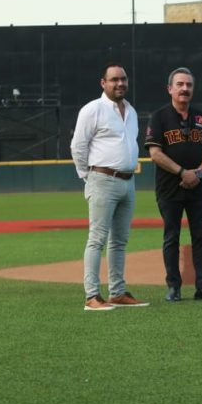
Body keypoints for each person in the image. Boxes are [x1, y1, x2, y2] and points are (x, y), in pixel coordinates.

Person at [70, 62, 149, 311]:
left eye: (123, 79)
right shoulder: (93, 109)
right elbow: (78, 146)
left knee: (120, 241)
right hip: (102, 178)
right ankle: (92, 296)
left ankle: (117, 292)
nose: (120, 83)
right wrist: (88, 175)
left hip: (128, 180)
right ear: (103, 83)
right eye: (114, 79)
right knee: (97, 239)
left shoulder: (132, 111)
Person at [144, 67, 202, 303]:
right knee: (172, 236)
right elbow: (155, 153)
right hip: (170, 187)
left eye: (189, 85)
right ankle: (174, 287)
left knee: (200, 237)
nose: (185, 89)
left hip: (198, 187)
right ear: (170, 88)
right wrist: (182, 172)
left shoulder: (201, 118)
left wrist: (197, 173)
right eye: (180, 84)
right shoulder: (159, 117)